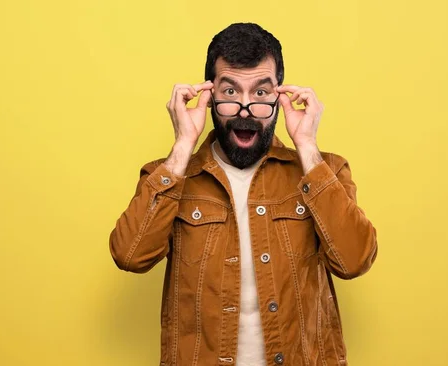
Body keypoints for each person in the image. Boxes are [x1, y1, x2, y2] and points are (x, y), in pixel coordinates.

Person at [109, 22, 378, 366]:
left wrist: (308, 146)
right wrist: (181, 147)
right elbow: (130, 255)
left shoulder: (325, 172)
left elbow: (354, 261)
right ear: (209, 97)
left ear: (280, 97)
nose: (246, 109)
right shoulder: (169, 177)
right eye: (231, 92)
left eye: (261, 93)